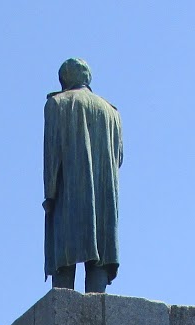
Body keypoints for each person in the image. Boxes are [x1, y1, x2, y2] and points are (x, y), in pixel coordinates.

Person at [43, 58, 122, 292]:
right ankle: (97, 297)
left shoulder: (57, 104)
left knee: (64, 255)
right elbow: (118, 158)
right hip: (104, 195)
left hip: (69, 191)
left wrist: (50, 194)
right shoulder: (112, 112)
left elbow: (52, 154)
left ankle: (62, 300)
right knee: (99, 251)